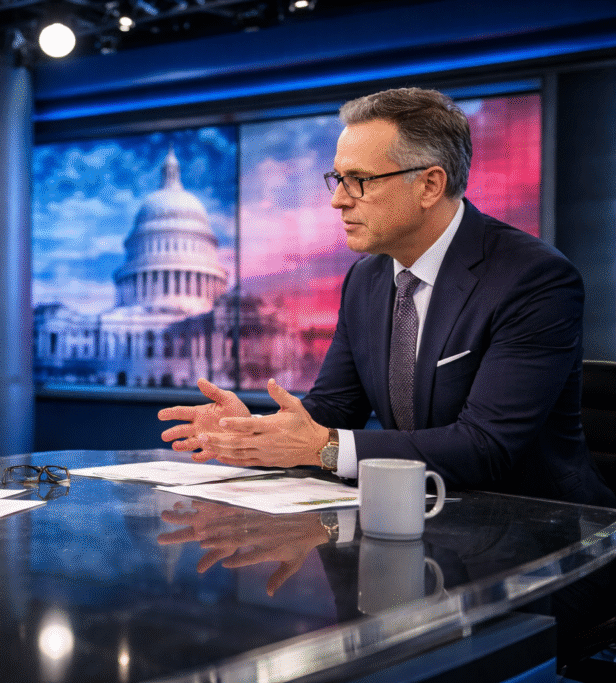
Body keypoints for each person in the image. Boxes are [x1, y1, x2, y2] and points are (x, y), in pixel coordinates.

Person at [159, 87, 615, 507]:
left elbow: (486, 446)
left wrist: (322, 446)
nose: (338, 200)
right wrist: (255, 430)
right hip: (416, 517)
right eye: (337, 178)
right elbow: (334, 409)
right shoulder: (366, 279)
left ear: (430, 185)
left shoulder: (533, 278)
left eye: (359, 179)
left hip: (542, 530)